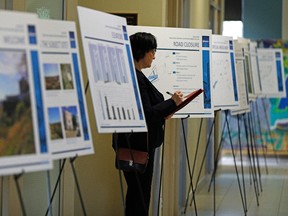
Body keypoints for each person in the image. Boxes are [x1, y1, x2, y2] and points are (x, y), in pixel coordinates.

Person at [113, 32, 183, 216]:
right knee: (139, 195)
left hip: (140, 144)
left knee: (139, 194)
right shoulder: (135, 78)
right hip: (137, 145)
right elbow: (146, 113)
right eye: (152, 51)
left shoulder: (136, 75)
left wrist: (164, 113)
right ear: (142, 52)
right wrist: (172, 103)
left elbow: (149, 111)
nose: (154, 55)